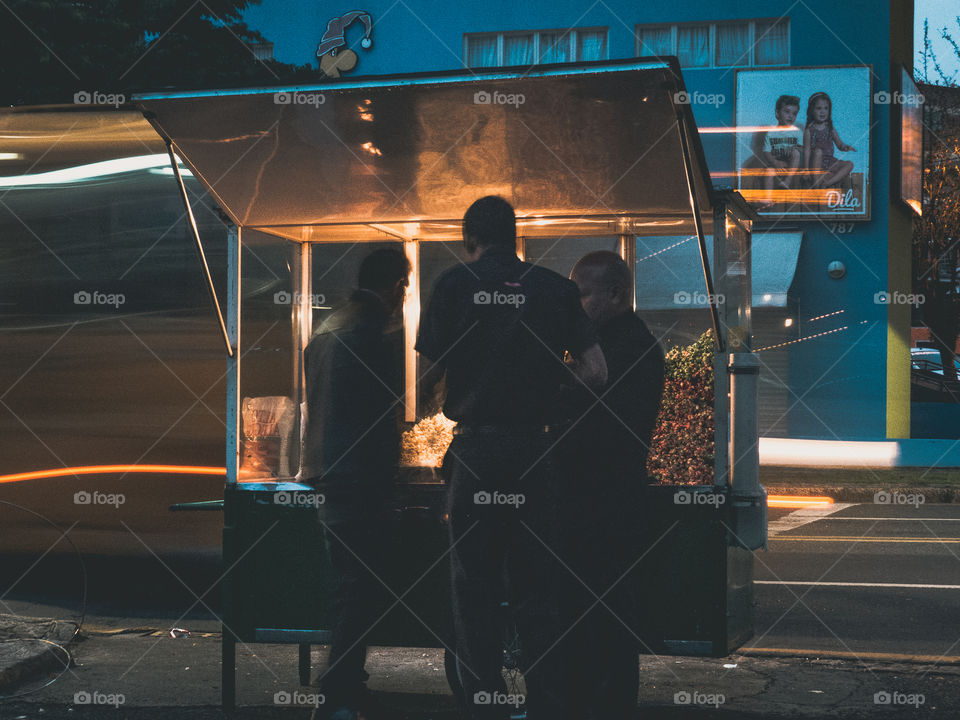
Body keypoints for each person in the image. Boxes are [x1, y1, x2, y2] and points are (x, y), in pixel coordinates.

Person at [416, 196, 606, 720]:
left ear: (469, 241)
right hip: (535, 453)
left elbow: (423, 383)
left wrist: (450, 396)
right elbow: (595, 371)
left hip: (476, 452)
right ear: (516, 237)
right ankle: (544, 704)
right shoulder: (556, 290)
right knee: (539, 587)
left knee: (471, 590)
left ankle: (486, 704)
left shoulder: (453, 287)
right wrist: (548, 400)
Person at [302, 247, 409, 720]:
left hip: (326, 470)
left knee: (349, 583)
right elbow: (385, 410)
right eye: (404, 288)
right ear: (395, 286)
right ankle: (336, 691)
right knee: (359, 587)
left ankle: (348, 684)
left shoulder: (327, 326)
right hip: (360, 476)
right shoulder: (375, 328)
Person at [562, 250, 665, 720]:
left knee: (596, 627)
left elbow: (587, 428)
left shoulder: (618, 349)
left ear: (616, 293)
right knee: (609, 628)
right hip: (615, 499)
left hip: (601, 504)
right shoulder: (628, 341)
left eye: (582, 294)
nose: (576, 305)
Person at [803, 91, 856, 189]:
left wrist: (845, 147)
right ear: (811, 110)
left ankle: (826, 183)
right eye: (819, 108)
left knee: (849, 164)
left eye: (826, 108)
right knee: (818, 151)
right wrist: (806, 169)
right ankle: (816, 184)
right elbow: (806, 150)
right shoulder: (809, 130)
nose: (822, 112)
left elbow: (839, 144)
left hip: (829, 161)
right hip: (816, 162)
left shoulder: (830, 128)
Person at [758, 94, 802, 192]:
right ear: (777, 113)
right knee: (769, 172)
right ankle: (768, 199)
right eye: (787, 112)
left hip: (791, 165)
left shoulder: (797, 132)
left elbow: (802, 149)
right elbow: (766, 152)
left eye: (794, 113)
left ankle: (787, 181)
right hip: (777, 163)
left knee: (796, 153)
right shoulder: (771, 133)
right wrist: (775, 163)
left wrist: (794, 148)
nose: (791, 116)